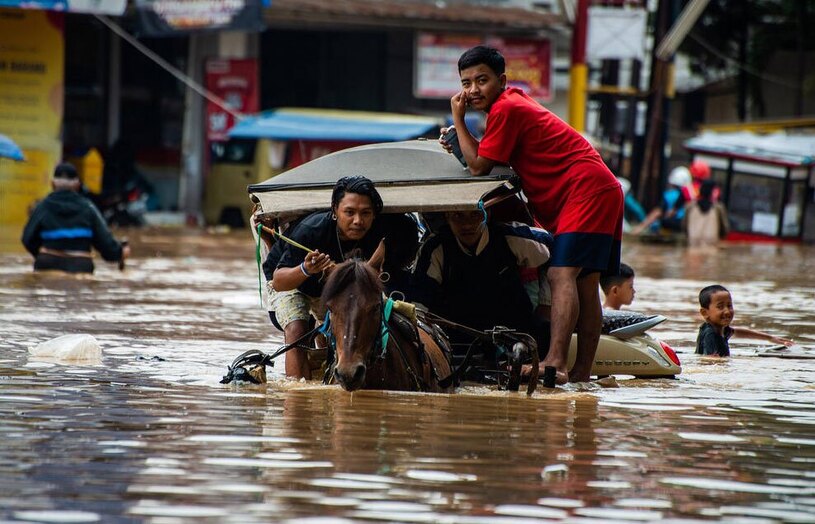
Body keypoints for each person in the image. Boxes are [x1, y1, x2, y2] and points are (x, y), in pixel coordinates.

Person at [438, 45, 623, 385]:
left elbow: (479, 167)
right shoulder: (512, 106)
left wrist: (457, 122)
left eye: (482, 80)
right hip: (596, 187)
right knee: (584, 283)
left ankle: (554, 362)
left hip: (585, 189)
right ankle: (581, 371)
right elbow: (498, 163)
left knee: (560, 274)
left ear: (501, 80)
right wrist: (460, 138)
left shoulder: (506, 108)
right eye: (466, 83)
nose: (473, 90)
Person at [265, 176, 406, 379]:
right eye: (349, 212)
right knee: (297, 329)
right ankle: (297, 393)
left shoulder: (382, 233)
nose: (358, 221)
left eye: (366, 213)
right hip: (295, 283)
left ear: (374, 214)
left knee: (349, 325)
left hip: (338, 289)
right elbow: (279, 282)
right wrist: (306, 268)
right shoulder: (311, 231)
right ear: (334, 211)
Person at [412, 209, 553, 359]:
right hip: (460, 344)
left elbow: (556, 250)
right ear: (447, 216)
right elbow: (419, 307)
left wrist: (546, 303)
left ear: (487, 214)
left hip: (517, 334)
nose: (467, 225)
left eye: (475, 214)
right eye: (458, 216)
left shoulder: (509, 237)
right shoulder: (434, 248)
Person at [22, 162, 129, 273]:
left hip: (47, 263)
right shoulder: (88, 208)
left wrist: (42, 253)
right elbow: (106, 246)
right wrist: (120, 252)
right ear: (77, 185)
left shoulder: (42, 207)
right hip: (80, 265)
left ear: (52, 184)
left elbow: (27, 239)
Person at [696, 284, 794, 357]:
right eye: (720, 307)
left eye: (729, 306)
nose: (727, 311)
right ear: (705, 313)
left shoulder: (720, 328)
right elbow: (710, 360)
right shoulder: (710, 334)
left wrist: (770, 338)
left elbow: (737, 332)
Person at [631, 166, 692, 235]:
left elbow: (658, 211)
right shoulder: (692, 195)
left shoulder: (669, 195)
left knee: (656, 224)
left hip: (672, 224)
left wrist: (641, 227)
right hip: (686, 225)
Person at [684, 179, 729, 247]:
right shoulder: (718, 208)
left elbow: (685, 227)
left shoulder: (690, 206)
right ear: (713, 192)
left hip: (693, 244)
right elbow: (724, 229)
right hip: (711, 245)